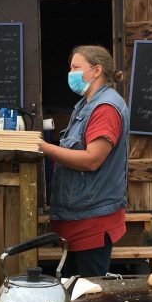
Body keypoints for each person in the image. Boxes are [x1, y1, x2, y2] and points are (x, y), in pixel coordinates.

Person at [38, 45, 130, 278]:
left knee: (90, 297)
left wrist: (45, 148)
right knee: (73, 290)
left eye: (76, 67)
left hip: (92, 220)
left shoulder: (105, 108)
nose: (71, 73)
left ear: (96, 70)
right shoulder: (86, 105)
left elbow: (92, 160)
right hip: (79, 216)